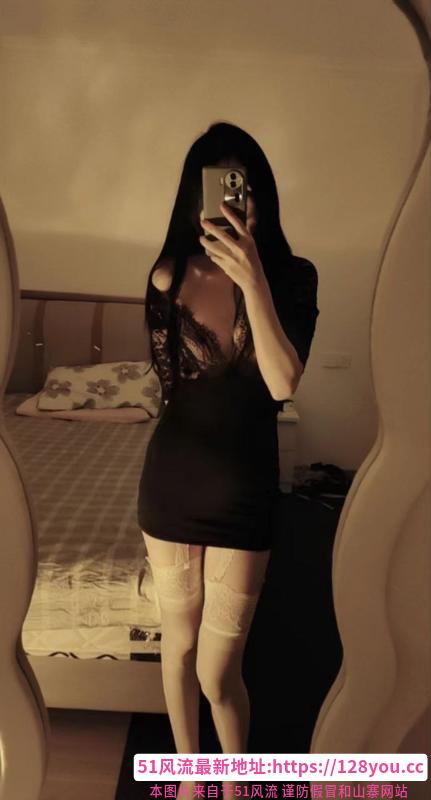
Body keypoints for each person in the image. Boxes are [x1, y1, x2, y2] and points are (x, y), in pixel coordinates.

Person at [137, 122, 319, 793]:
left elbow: (281, 382)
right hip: (171, 484)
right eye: (212, 189)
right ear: (193, 199)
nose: (227, 203)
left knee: (218, 671)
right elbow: (173, 390)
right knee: (179, 645)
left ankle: (235, 782)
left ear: (259, 196)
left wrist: (253, 281)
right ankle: (190, 779)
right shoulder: (168, 277)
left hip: (243, 494)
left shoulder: (293, 277)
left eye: (240, 188)